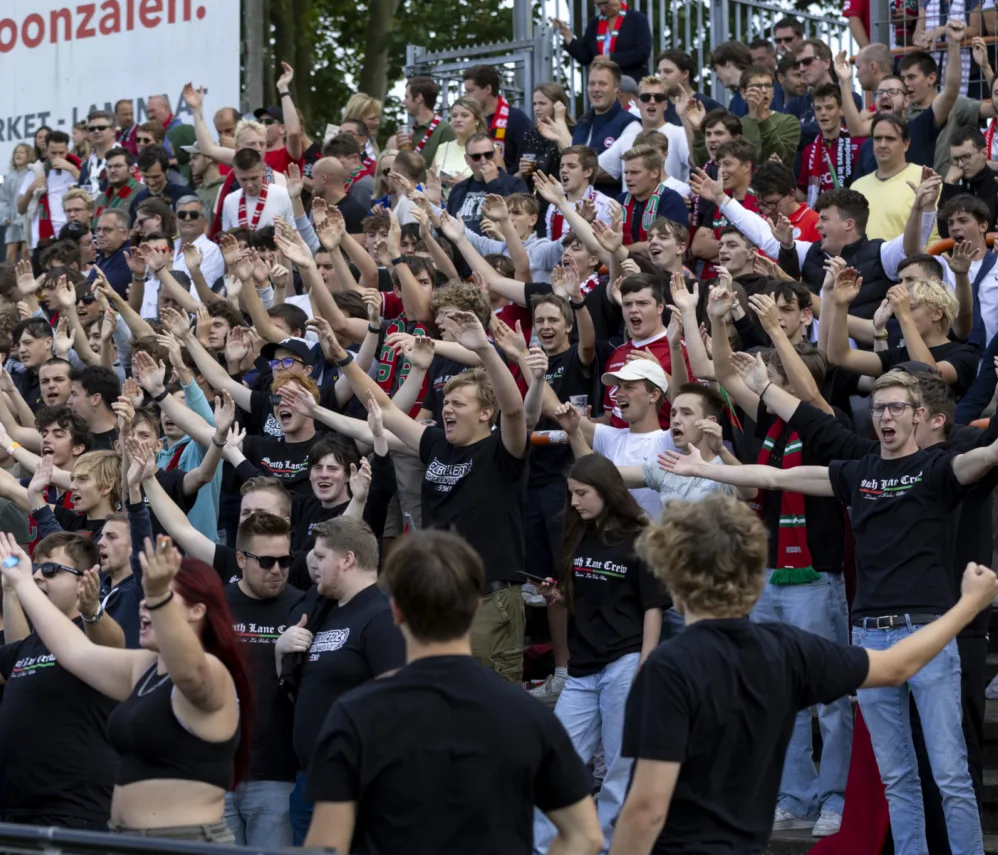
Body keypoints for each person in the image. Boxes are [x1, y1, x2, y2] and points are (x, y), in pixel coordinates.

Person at [658, 369, 998, 855]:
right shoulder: (856, 473)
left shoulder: (938, 468)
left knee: (950, 775)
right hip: (871, 639)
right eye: (879, 408)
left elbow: (987, 454)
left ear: (920, 415)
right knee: (897, 777)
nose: (886, 416)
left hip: (928, 635)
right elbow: (774, 476)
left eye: (898, 407)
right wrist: (704, 469)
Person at [606, 493, 998, 855]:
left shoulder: (667, 669)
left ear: (674, 573)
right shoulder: (786, 649)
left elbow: (645, 810)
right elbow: (898, 666)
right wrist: (968, 605)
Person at [302, 529, 603, 855]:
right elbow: (586, 836)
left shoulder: (355, 715)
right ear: (476, 607)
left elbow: (326, 847)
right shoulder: (527, 714)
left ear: (396, 611)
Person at [0, 531, 252, 842]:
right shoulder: (143, 667)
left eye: (160, 598)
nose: (146, 608)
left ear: (198, 611)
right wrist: (22, 582)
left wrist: (160, 598)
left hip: (183, 842)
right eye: (146, 598)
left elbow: (189, 673)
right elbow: (74, 652)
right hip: (126, 840)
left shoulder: (211, 671)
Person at [531, 453, 667, 852]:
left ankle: (612, 846)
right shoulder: (576, 531)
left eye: (582, 494)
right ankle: (542, 847)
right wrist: (556, 595)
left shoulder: (642, 536)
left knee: (621, 768)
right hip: (582, 667)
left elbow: (653, 606)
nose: (574, 502)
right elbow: (580, 595)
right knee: (553, 760)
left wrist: (646, 662)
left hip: (624, 662)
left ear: (607, 492)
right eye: (572, 493)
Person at [277, 517, 404, 844]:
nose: (312, 565)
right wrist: (282, 651)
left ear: (347, 559)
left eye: (320, 557)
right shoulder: (324, 611)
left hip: (356, 783)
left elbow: (397, 704)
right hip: (311, 779)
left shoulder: (381, 616)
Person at [0, 532, 120, 829]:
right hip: (17, 811)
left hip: (72, 811)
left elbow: (113, 645)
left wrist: (92, 612)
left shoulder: (92, 632)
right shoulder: (32, 644)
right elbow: (11, 654)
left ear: (84, 580)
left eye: (50, 569)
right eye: (36, 568)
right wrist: (12, 589)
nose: (38, 576)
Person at [223, 511, 304, 847]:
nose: (276, 570)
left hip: (277, 774)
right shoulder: (216, 606)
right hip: (219, 774)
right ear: (240, 559)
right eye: (267, 561)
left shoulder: (302, 606)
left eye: (285, 561)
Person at [599, 75, 691, 189]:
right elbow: (592, 169)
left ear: (665, 105)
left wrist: (684, 118)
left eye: (658, 98)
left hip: (667, 205)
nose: (652, 101)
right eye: (646, 97)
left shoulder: (678, 133)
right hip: (631, 206)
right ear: (637, 102)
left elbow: (697, 162)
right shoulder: (628, 136)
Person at [552, 0, 652, 84]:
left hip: (631, 83)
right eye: (598, 5)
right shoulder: (594, 23)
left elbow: (642, 52)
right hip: (603, 85)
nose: (603, 8)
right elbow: (585, 57)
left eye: (605, 3)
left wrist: (611, 59)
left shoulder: (637, 19)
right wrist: (567, 35)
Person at [445, 134, 528, 235]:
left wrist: (493, 183)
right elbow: (448, 228)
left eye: (488, 155)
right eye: (476, 157)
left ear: (496, 154)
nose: (483, 161)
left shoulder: (516, 184)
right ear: (467, 159)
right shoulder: (459, 189)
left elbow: (518, 221)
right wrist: (435, 203)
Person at [462, 65, 533, 173]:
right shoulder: (471, 120)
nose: (466, 96)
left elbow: (528, 157)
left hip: (510, 186)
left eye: (470, 91)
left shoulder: (516, 119)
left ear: (488, 89)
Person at [571, 58, 640, 160]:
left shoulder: (630, 125)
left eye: (602, 84)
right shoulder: (582, 123)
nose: (596, 89)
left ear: (616, 88)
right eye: (592, 84)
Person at [938, 128, 998, 236]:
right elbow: (944, 232)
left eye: (966, 157)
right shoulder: (953, 188)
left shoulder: (995, 182)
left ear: (984, 153)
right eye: (955, 159)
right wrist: (949, 183)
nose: (960, 164)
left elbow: (987, 226)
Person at [221, 148, 295, 234]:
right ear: (235, 174)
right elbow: (228, 238)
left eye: (254, 178)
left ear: (263, 170)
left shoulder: (282, 194)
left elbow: (293, 233)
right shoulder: (229, 200)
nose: (249, 185)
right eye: (243, 180)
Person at [430, 96, 488, 192]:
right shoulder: (442, 148)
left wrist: (466, 185)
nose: (458, 119)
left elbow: (500, 187)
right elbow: (430, 181)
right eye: (454, 116)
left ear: (477, 120)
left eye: (464, 115)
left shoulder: (490, 150)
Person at [399, 75, 456, 168]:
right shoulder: (411, 131)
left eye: (406, 97)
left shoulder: (444, 130)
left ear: (418, 98)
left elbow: (448, 169)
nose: (403, 102)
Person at [655, 50, 722, 126]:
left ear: (685, 73)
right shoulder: (654, 103)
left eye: (667, 71)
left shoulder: (709, 106)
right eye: (659, 72)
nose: (661, 77)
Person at [2, 144, 35, 262]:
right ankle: (8, 279)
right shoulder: (9, 177)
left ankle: (27, 278)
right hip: (12, 220)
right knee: (10, 253)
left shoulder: (32, 174)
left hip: (27, 219)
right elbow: (3, 199)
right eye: (16, 152)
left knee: (26, 253)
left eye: (22, 152)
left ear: (29, 155)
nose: (18, 154)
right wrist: (5, 216)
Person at [708, 41, 752, 117]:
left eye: (716, 69)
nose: (717, 76)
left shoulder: (760, 90)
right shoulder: (737, 99)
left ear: (726, 63)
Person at [94, 148, 143, 218]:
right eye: (109, 167)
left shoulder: (142, 193)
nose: (112, 170)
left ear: (132, 169)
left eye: (118, 166)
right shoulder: (100, 199)